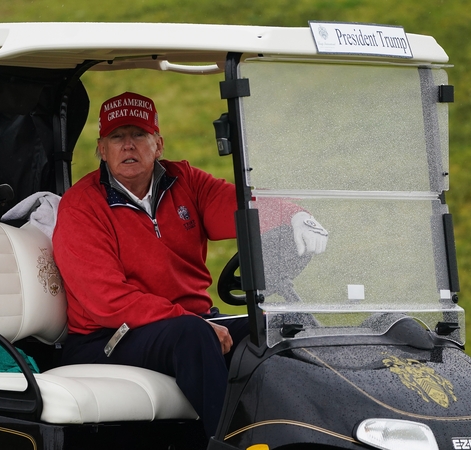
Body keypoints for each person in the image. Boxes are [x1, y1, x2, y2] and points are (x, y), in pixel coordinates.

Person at [51, 91, 327, 438]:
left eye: (139, 135)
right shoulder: (82, 206)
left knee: (285, 326)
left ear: (158, 144)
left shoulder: (185, 181)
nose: (128, 146)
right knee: (193, 335)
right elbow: (108, 302)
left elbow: (240, 207)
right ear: (102, 149)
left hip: (187, 323)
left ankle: (316, 434)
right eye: (117, 137)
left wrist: (294, 213)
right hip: (107, 338)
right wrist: (190, 321)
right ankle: (233, 443)